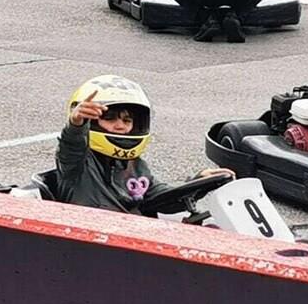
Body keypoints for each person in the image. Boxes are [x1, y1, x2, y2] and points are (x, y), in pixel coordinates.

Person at [56, 75, 234, 214]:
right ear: (91, 121)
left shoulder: (135, 165)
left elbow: (161, 200)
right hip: (91, 240)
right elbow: (71, 145)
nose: (120, 126)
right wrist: (76, 123)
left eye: (127, 120)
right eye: (110, 118)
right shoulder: (78, 165)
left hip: (131, 236)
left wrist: (198, 181)